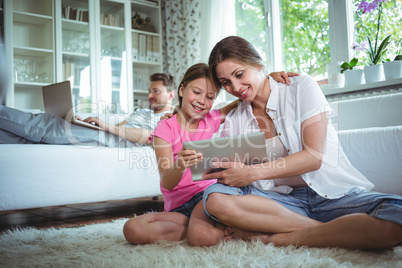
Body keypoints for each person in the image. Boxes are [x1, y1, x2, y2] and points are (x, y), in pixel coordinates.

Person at [193, 36, 401, 249]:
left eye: (239, 74)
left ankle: (273, 239)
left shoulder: (301, 87)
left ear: (257, 64)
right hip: (280, 204)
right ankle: (335, 231)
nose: (235, 87)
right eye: (226, 82)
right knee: (215, 199)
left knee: (396, 218)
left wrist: (253, 173)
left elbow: (313, 157)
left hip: (329, 194)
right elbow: (230, 172)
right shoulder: (235, 118)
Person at [122, 63, 320, 245]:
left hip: (209, 198)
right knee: (133, 229)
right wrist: (180, 165)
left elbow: (242, 97)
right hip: (179, 207)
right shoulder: (165, 128)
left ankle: (213, 227)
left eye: (210, 97)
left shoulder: (212, 118)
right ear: (182, 90)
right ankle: (225, 228)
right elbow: (167, 182)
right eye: (196, 92)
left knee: (202, 238)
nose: (202, 101)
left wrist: (267, 79)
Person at [0, 73, 176, 147]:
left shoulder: (170, 119)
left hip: (112, 141)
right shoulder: (141, 112)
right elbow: (121, 126)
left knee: (46, 126)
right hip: (106, 134)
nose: (150, 95)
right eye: (149, 91)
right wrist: (88, 125)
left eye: (156, 91)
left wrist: (106, 127)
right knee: (34, 138)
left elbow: (150, 138)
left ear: (171, 95)